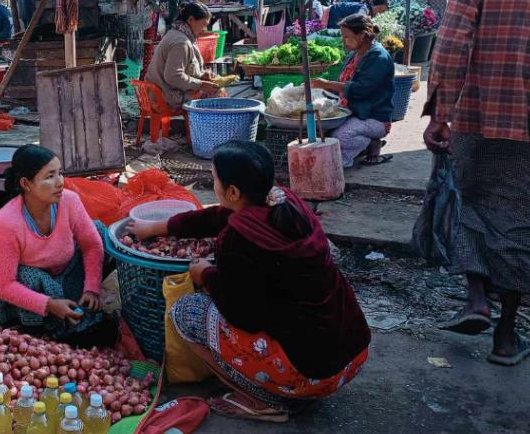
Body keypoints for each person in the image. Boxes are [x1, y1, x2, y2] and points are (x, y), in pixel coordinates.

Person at [131, 141, 370, 423]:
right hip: (349, 354)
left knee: (185, 313)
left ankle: (269, 401)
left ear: (232, 191)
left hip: (312, 372)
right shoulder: (284, 201)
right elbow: (222, 216)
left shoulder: (239, 239)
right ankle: (286, 388)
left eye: (214, 179)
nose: (213, 184)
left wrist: (205, 275)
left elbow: (244, 315)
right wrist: (160, 227)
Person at [424, 0, 530, 366]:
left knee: (470, 200)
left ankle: (475, 299)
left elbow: (450, 44)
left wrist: (438, 114)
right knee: (521, 222)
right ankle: (506, 335)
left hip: (477, 115)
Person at [0, 145, 115, 347]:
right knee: (28, 276)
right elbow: (3, 285)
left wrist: (91, 288)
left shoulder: (69, 201)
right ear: (26, 184)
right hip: (21, 281)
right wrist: (49, 305)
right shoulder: (6, 223)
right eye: (49, 176)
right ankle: (38, 324)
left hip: (60, 268)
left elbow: (92, 245)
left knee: (99, 231)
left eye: (60, 173)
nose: (60, 182)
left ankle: (69, 304)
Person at [311, 14, 395, 167]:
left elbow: (361, 89)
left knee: (340, 138)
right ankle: (364, 145)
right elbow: (343, 85)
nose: (343, 41)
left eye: (347, 37)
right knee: (322, 130)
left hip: (374, 118)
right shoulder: (354, 54)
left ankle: (368, 144)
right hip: (354, 112)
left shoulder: (378, 57)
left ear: (362, 35)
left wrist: (327, 84)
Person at [144, 2, 219, 111]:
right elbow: (173, 76)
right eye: (203, 24)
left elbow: (185, 69)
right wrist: (200, 84)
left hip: (161, 93)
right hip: (164, 97)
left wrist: (202, 75)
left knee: (213, 89)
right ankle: (204, 128)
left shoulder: (177, 34)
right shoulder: (181, 42)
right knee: (217, 94)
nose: (205, 29)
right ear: (191, 20)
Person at [320, 0, 389, 30]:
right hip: (336, 12)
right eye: (380, 9)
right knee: (334, 33)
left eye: (383, 11)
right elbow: (359, 22)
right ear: (374, 5)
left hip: (339, 13)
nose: (381, 12)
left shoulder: (369, 11)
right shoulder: (365, 10)